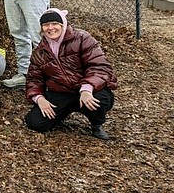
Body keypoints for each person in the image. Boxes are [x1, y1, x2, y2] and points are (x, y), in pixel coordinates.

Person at [24, 8, 117, 140]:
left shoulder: (82, 38)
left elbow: (99, 67)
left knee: (100, 101)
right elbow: (34, 80)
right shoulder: (39, 52)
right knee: (35, 122)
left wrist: (86, 89)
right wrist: (39, 99)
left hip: (86, 88)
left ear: (63, 24)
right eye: (45, 25)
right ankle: (61, 114)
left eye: (55, 24)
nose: (50, 28)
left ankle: (96, 125)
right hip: (60, 92)